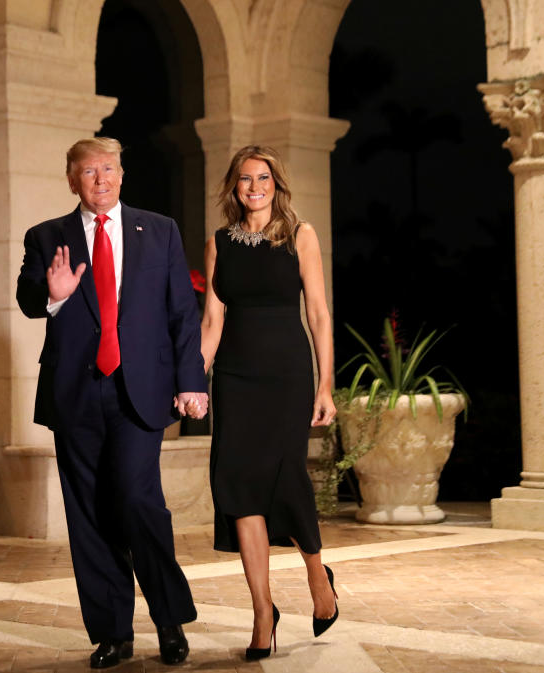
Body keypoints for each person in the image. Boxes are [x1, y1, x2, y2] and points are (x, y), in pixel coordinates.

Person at [16, 137, 209, 669]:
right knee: (88, 514)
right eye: (87, 172)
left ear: (121, 175)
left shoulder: (160, 231)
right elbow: (28, 299)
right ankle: (112, 633)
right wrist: (52, 295)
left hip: (139, 391)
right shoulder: (46, 236)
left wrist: (192, 380)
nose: (99, 179)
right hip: (74, 393)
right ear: (71, 179)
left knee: (136, 500)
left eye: (107, 169)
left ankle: (169, 622)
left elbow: (181, 314)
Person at [200, 145, 339, 660]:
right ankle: (263, 610)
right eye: (244, 179)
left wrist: (325, 385)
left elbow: (320, 314)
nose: (254, 187)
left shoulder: (300, 236)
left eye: (263, 178)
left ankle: (315, 572)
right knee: (236, 485)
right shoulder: (219, 244)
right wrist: (196, 380)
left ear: (276, 184)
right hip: (235, 378)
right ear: (233, 187)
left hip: (286, 377)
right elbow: (212, 322)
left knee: (287, 479)